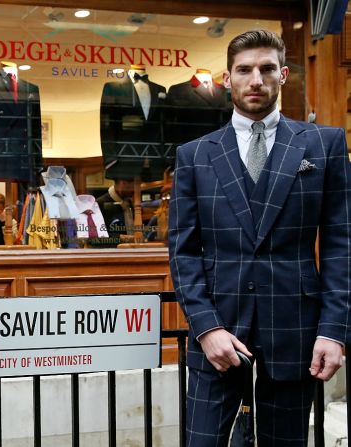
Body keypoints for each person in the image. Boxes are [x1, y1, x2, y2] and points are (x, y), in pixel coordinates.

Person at [168, 29, 350, 446]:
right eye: (244, 70)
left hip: (295, 327)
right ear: (227, 78)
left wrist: (334, 330)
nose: (256, 80)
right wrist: (205, 326)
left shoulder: (323, 145)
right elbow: (183, 252)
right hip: (218, 328)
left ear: (283, 75)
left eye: (267, 69)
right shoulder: (194, 155)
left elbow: (341, 244)